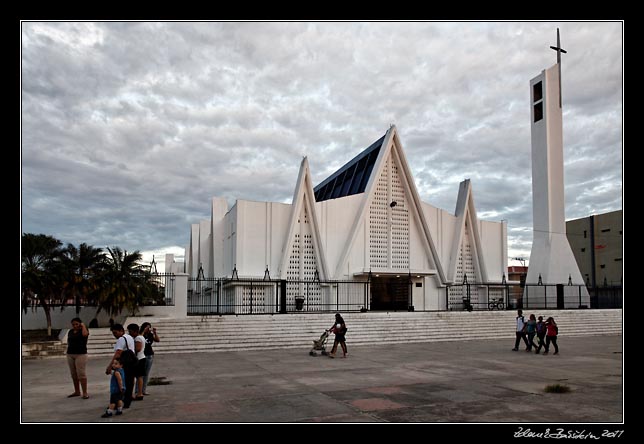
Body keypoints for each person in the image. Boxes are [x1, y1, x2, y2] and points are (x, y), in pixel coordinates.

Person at [106, 323, 136, 408]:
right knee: (129, 382)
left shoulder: (121, 339)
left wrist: (110, 366)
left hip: (125, 364)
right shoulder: (129, 337)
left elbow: (118, 353)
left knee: (120, 383)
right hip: (132, 362)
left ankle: (116, 402)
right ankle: (127, 401)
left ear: (121, 331)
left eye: (115, 333)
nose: (114, 335)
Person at [66, 317, 90, 399]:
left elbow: (85, 335)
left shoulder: (83, 331)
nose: (75, 326)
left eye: (77, 324)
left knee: (81, 374)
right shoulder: (70, 332)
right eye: (73, 324)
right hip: (70, 354)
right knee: (74, 374)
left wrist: (83, 326)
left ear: (80, 324)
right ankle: (77, 391)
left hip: (81, 354)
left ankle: (85, 392)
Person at [139, 322, 160, 396]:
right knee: (140, 374)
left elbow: (157, 340)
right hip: (142, 355)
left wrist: (155, 333)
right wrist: (143, 331)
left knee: (146, 374)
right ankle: (138, 391)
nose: (148, 329)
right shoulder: (141, 335)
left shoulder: (150, 335)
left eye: (149, 327)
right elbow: (139, 339)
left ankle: (143, 390)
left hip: (149, 355)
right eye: (147, 327)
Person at [127, 323, 146, 401]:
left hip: (138, 359)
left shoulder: (137, 338)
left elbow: (138, 349)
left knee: (136, 377)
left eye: (130, 331)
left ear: (135, 331)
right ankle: (139, 393)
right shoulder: (141, 337)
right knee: (139, 377)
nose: (129, 333)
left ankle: (138, 393)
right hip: (142, 357)